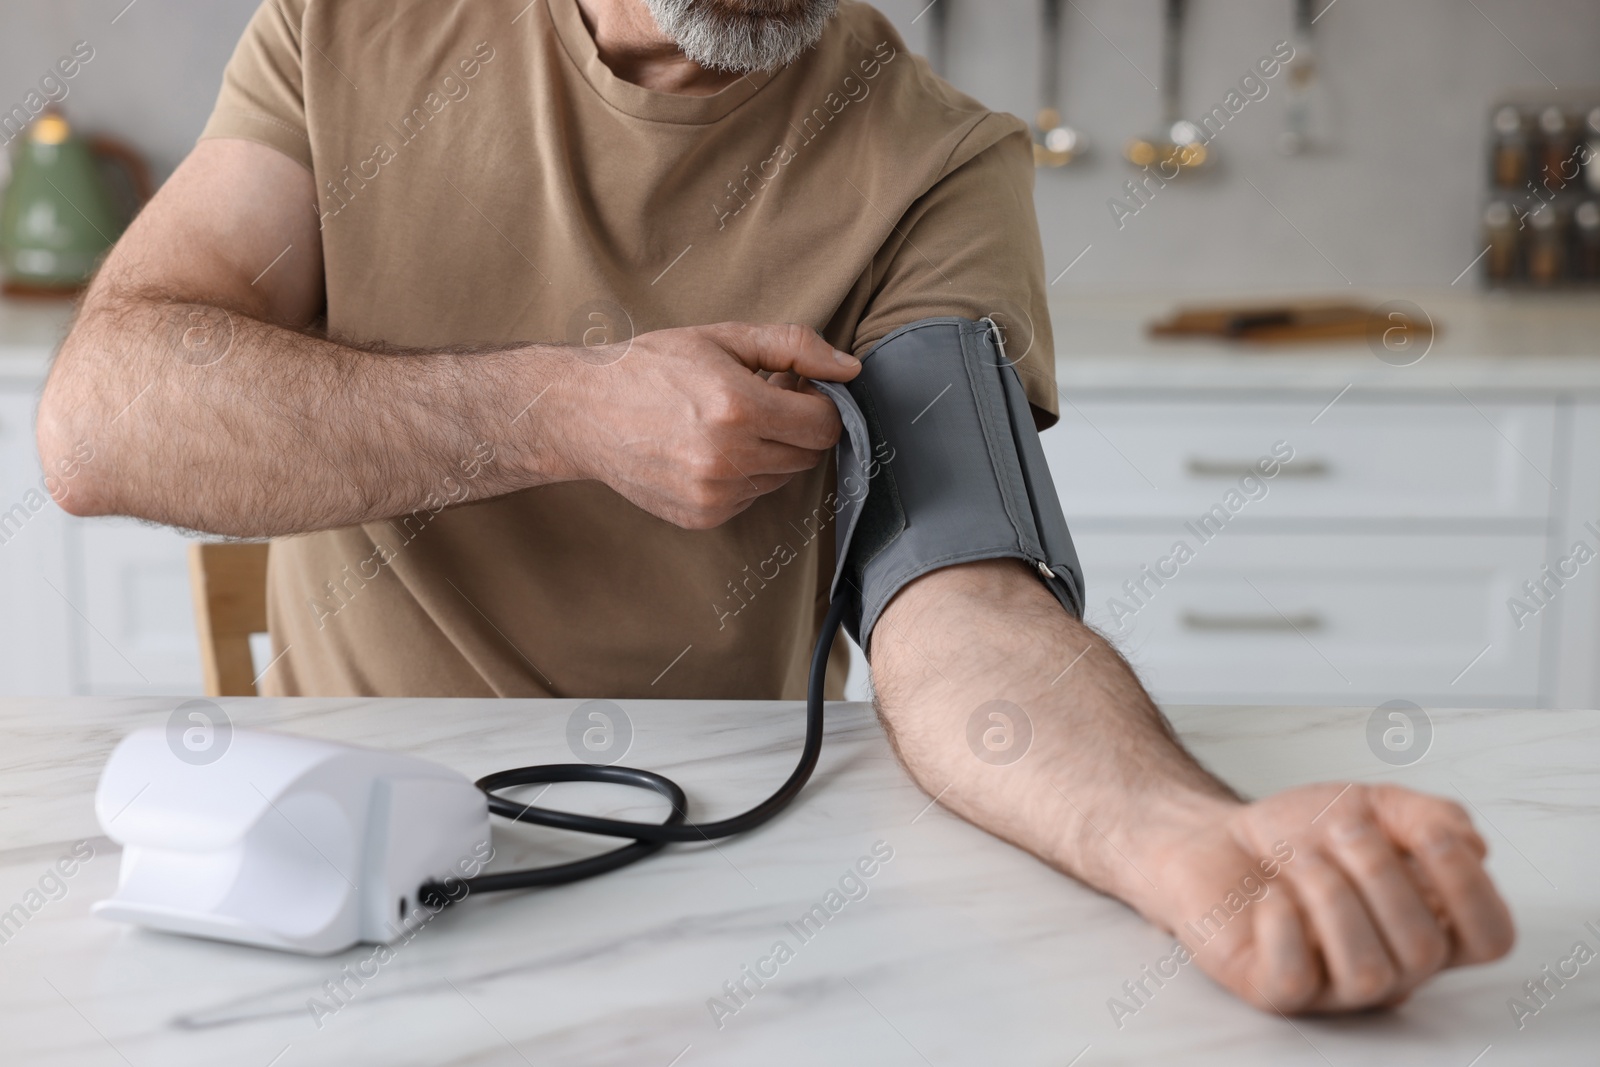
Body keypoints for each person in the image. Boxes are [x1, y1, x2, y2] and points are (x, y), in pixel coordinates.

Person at [36, 0, 1512, 1015]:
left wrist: (1183, 843)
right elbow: (103, 423)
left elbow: (965, 596)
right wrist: (562, 408)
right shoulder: (349, 31)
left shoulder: (937, 165)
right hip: (345, 864)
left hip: (730, 873)